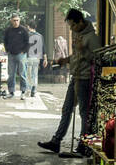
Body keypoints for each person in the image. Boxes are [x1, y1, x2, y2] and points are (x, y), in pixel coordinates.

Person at [38, 8, 100, 155]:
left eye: (73, 25)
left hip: (85, 79)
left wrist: (83, 51)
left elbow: (98, 58)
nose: (71, 28)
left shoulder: (92, 37)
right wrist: (65, 60)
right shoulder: (77, 34)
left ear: (80, 21)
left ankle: (83, 144)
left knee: (84, 112)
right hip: (75, 77)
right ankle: (56, 141)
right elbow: (77, 55)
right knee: (66, 109)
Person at [3, 13, 30, 100]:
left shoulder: (23, 30)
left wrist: (24, 52)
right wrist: (7, 50)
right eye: (14, 20)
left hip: (21, 55)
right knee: (11, 75)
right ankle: (11, 92)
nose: (15, 22)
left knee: (22, 74)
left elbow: (28, 42)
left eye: (17, 20)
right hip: (11, 55)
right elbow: (5, 40)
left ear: (19, 20)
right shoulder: (8, 30)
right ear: (11, 20)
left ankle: (23, 92)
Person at [26, 24, 45, 99]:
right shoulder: (40, 36)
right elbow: (43, 48)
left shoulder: (27, 35)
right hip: (37, 58)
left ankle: (29, 89)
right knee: (35, 74)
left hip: (29, 57)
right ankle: (34, 90)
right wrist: (45, 58)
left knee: (28, 74)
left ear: (28, 26)